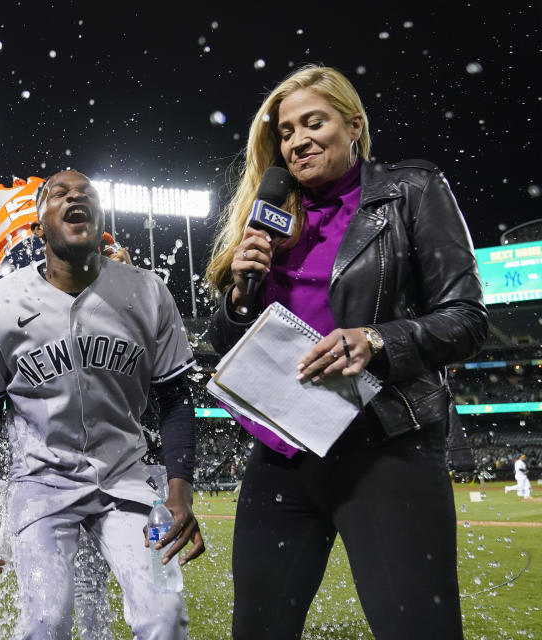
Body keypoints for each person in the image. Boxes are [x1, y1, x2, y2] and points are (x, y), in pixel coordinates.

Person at [204, 65, 487, 639]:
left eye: (315, 122)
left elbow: (467, 319)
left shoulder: (411, 190)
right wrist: (238, 295)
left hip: (385, 447)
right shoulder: (273, 217)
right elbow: (225, 347)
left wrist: (378, 340)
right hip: (282, 452)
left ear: (353, 125)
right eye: (285, 132)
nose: (298, 140)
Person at [0, 169, 204, 639]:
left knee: (166, 617)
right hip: (41, 485)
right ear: (38, 224)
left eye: (86, 192)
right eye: (59, 194)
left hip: (131, 482)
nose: (75, 198)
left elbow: (175, 396)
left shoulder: (148, 291)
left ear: (101, 219)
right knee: (46, 622)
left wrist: (179, 489)